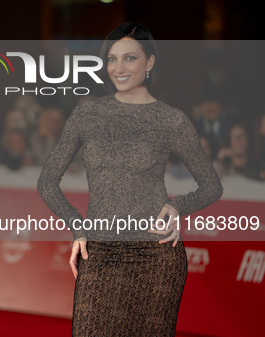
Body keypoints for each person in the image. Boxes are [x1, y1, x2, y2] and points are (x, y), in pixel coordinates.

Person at [36, 22, 223, 336]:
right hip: (97, 252)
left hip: (156, 256)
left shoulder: (171, 120)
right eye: (111, 59)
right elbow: (47, 181)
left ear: (149, 62)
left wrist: (179, 207)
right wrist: (77, 226)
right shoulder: (86, 115)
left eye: (129, 58)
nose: (118, 68)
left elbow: (212, 186)